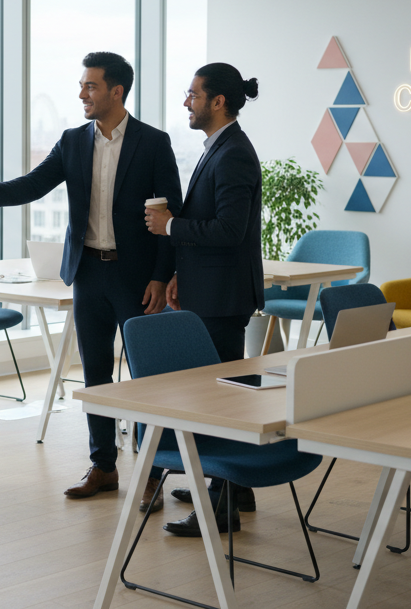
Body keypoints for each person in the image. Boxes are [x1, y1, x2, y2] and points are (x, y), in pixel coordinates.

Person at [0, 51, 182, 501]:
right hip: (88, 273)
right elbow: (34, 184)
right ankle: (103, 466)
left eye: (90, 86)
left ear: (116, 91)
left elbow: (171, 214)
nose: (81, 94)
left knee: (145, 377)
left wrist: (160, 275)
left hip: (137, 278)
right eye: (82, 85)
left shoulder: (154, 143)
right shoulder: (73, 141)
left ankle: (154, 470)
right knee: (94, 373)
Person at [143, 62, 263, 537]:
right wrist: (178, 271)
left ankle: (221, 505)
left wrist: (170, 226)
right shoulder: (221, 148)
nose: (186, 102)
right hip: (210, 289)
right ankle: (234, 487)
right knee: (221, 395)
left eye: (192, 95)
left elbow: (230, 231)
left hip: (223, 295)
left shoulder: (232, 153)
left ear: (217, 101)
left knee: (218, 402)